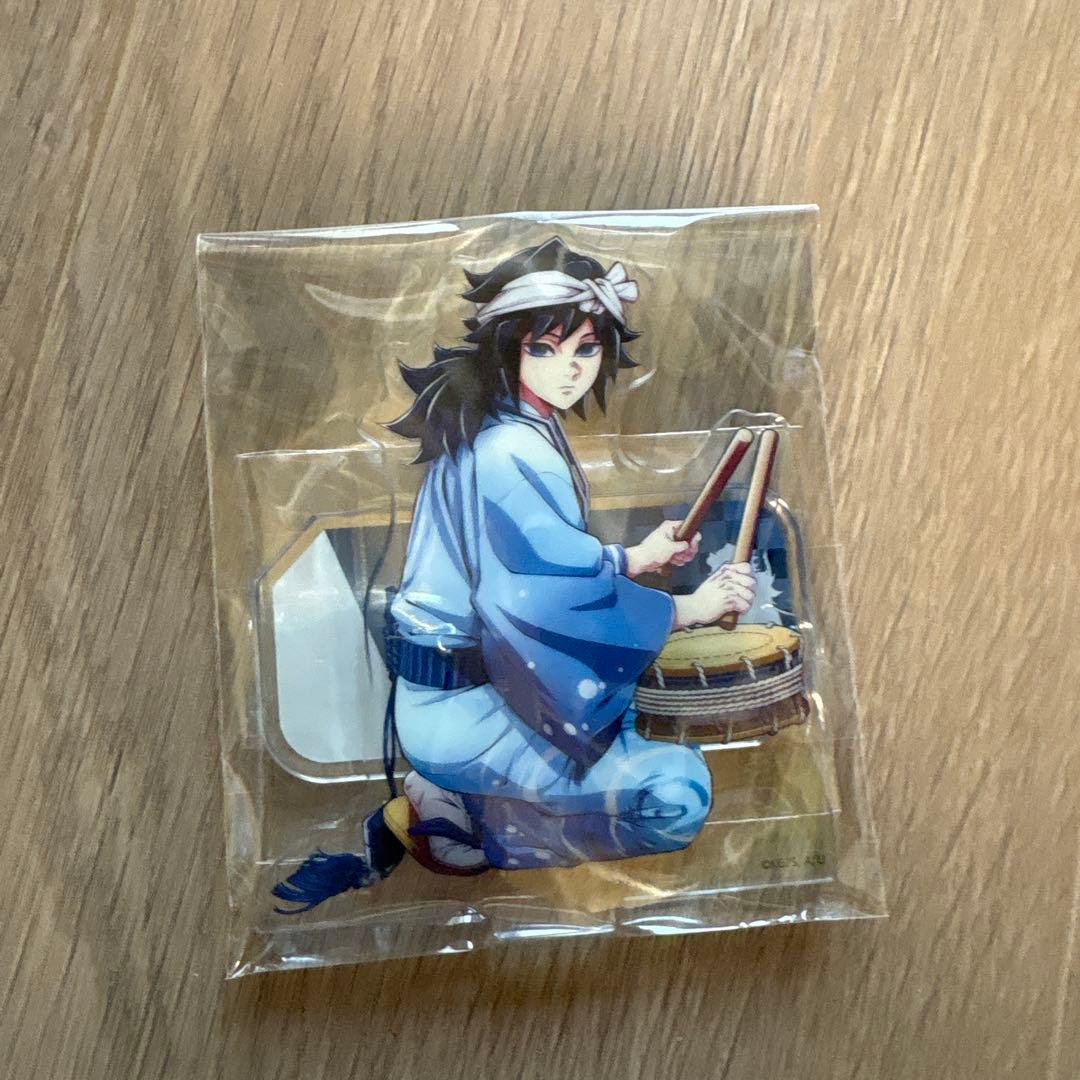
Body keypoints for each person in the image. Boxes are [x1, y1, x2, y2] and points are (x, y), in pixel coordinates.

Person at [273, 237, 754, 912]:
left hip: (471, 698)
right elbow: (540, 602)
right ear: (508, 350)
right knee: (678, 795)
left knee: (635, 727)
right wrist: (686, 610)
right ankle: (468, 830)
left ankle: (457, 801)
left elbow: (545, 558)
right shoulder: (508, 448)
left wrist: (634, 558)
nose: (571, 369)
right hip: (471, 713)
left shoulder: (502, 430)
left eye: (587, 349)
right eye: (545, 349)